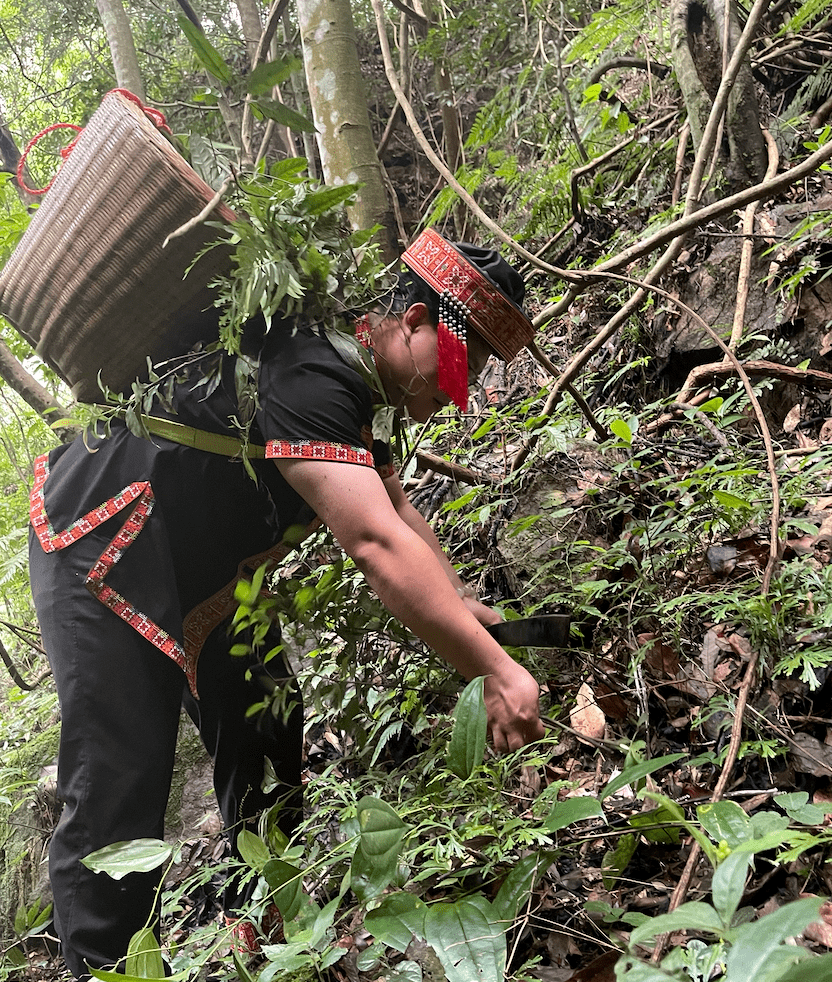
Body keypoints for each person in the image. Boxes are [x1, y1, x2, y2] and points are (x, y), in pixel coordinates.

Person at [28, 227, 544, 979]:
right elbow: (373, 543)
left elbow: (399, 512)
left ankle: (268, 920)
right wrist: (494, 671)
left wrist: (464, 608)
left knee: (266, 721)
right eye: (461, 362)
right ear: (414, 323)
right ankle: (105, 968)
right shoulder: (311, 372)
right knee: (117, 779)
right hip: (102, 543)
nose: (460, 390)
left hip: (201, 572)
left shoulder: (353, 386)